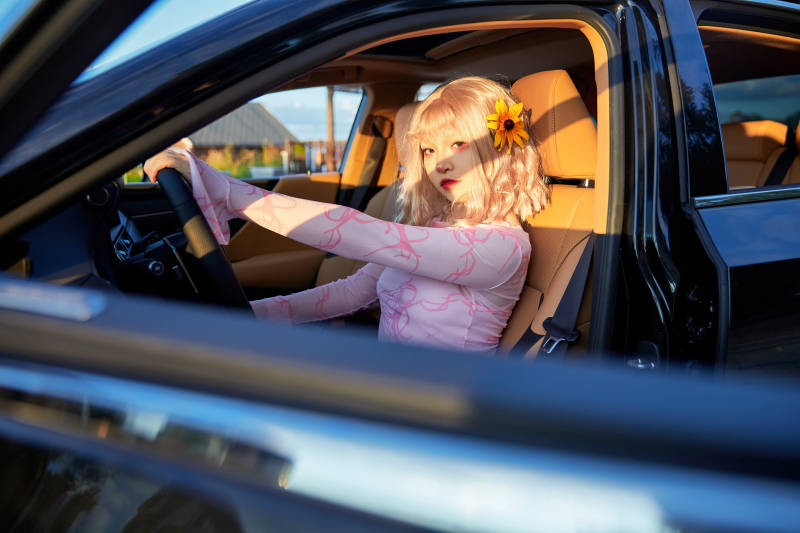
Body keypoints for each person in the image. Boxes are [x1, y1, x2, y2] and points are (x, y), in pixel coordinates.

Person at [144, 77, 550, 352]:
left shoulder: (500, 247)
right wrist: (249, 318)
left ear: (498, 149)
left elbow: (367, 235)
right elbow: (352, 292)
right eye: (428, 150)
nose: (438, 163)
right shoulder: (432, 227)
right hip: (386, 383)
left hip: (438, 414)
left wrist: (229, 192)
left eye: (457, 144)